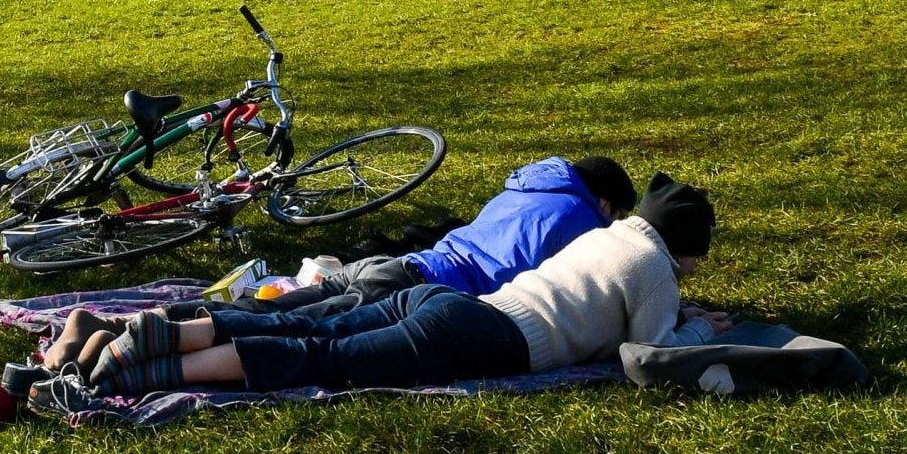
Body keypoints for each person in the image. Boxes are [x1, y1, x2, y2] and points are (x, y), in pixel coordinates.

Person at [53, 173, 729, 395]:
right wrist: (703, 330)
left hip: (448, 297)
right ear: (683, 246)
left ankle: (170, 328)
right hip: (480, 331)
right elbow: (652, 356)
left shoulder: (599, 235)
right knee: (324, 358)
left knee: (306, 323)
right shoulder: (654, 268)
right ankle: (162, 369)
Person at [259, 154, 638, 317]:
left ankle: (200, 316)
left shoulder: (527, 189)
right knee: (286, 329)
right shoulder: (582, 220)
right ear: (604, 203)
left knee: (269, 313)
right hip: (417, 291)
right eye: (616, 217)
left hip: (402, 264)